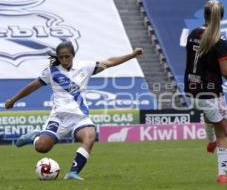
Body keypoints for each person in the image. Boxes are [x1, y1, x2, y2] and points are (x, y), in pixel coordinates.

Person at [5, 41, 143, 180]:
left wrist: (132, 55)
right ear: (57, 57)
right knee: (42, 147)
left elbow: (108, 62)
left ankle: (73, 173)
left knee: (90, 137)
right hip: (59, 117)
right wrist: (13, 100)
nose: (64, 60)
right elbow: (32, 86)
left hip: (80, 117)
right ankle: (33, 138)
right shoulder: (51, 72)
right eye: (61, 57)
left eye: (67, 57)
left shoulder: (85, 67)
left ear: (73, 55)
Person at [184, 0, 227, 183]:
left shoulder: (193, 33)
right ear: (221, 17)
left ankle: (210, 141)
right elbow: (225, 71)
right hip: (210, 91)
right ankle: (222, 174)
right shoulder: (219, 40)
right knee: (223, 132)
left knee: (210, 114)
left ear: (204, 15)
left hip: (190, 90)